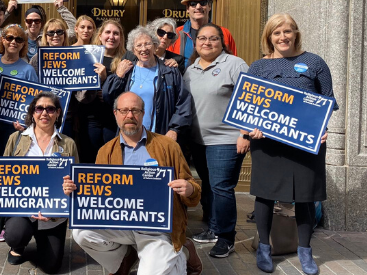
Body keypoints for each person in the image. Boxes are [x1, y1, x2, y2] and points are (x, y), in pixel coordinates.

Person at [63, 92, 202, 275]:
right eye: (124, 110)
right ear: (115, 114)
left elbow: (192, 186)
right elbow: (96, 193)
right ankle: (123, 259)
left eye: (135, 110)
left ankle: (181, 251)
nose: (130, 115)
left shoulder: (168, 146)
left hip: (157, 228)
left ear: (143, 114)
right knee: (81, 232)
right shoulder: (105, 151)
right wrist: (75, 190)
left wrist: (190, 188)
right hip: (122, 224)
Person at [248, 14, 337, 275]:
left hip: (305, 144)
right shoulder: (258, 67)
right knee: (264, 195)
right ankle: (265, 247)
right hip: (268, 143)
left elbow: (328, 101)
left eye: (287, 31)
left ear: (295, 33)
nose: (282, 37)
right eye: (276, 33)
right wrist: (249, 127)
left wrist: (323, 128)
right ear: (269, 37)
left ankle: (305, 252)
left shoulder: (314, 62)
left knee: (305, 198)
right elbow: (249, 104)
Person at [0, 91, 78, 273]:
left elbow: (75, 181)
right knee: (15, 235)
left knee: (51, 267)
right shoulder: (15, 139)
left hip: (53, 217)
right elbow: (3, 175)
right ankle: (18, 246)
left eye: (50, 109)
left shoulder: (68, 143)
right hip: (22, 212)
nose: (44, 113)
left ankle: (44, 239)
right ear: (32, 113)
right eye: (39, 108)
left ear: (57, 113)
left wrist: (70, 188)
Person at [183, 23, 250, 257]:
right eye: (202, 38)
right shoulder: (190, 70)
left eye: (213, 39)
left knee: (222, 188)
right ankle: (213, 228)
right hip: (198, 141)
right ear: (196, 42)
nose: (207, 42)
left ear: (222, 42)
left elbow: (249, 100)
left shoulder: (234, 64)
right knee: (209, 187)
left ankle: (226, 237)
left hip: (226, 139)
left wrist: (245, 134)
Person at [103, 26, 191, 141]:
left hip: (159, 136)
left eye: (148, 44)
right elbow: (108, 96)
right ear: (133, 50)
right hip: (129, 137)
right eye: (139, 45)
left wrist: (174, 129)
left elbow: (183, 102)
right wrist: (118, 77)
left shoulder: (169, 71)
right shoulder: (127, 70)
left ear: (155, 46)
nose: (143, 49)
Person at [74, 20, 126, 163]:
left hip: (113, 120)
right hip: (90, 117)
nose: (111, 36)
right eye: (108, 32)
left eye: (116, 33)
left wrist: (104, 82)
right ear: (100, 35)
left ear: (121, 37)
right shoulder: (89, 56)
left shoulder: (126, 59)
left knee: (111, 159)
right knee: (90, 158)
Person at [0, 24, 38, 156]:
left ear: (23, 44)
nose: (13, 42)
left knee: (10, 164)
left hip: (16, 126)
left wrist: (26, 122)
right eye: (9, 37)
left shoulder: (28, 69)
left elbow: (36, 100)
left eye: (19, 39)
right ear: (2, 40)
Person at [167, 0, 237, 67]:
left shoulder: (224, 33)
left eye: (203, 3)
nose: (198, 7)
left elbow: (233, 64)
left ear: (209, 6)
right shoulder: (176, 34)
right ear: (187, 9)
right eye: (193, 4)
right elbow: (167, 62)